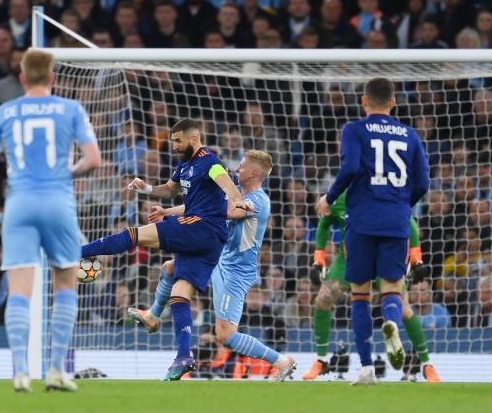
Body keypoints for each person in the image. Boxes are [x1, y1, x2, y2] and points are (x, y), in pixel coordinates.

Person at [79, 118, 249, 381]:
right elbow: (169, 190)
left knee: (135, 235)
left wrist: (238, 199)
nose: (174, 146)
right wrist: (145, 188)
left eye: (178, 141)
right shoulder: (185, 165)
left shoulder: (209, 162)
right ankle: (183, 356)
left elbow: (226, 184)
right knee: (180, 295)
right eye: (172, 142)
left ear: (193, 139)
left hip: (201, 227)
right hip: (208, 241)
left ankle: (79, 252)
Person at [0, 49, 101, 392]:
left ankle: (19, 371)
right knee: (64, 284)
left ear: (20, 78)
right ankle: (57, 370)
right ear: (53, 78)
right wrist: (67, 174)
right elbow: (93, 160)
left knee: (19, 289)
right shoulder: (70, 109)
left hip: (19, 203)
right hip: (58, 202)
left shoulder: (5, 111)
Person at [126, 150, 296, 382]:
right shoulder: (239, 196)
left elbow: (217, 210)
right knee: (170, 268)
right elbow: (205, 206)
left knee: (225, 334)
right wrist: (167, 211)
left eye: (242, 167)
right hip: (219, 260)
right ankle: (154, 315)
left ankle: (281, 361)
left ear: (254, 172)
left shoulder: (258, 200)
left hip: (236, 272)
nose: (236, 170)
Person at [316, 77, 429, 385]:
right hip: (396, 220)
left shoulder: (353, 129)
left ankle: (366, 369)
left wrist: (329, 196)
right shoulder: (410, 135)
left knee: (360, 295)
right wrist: (401, 204)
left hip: (362, 220)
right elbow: (422, 183)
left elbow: (350, 168)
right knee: (392, 289)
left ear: (363, 101)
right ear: (394, 102)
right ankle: (391, 322)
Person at [303, 192, 441, 382]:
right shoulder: (341, 196)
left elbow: (409, 222)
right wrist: (318, 260)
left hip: (384, 255)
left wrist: (416, 258)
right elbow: (325, 224)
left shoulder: (384, 191)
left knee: (405, 309)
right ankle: (321, 360)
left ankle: (427, 364)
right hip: (349, 257)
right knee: (323, 299)